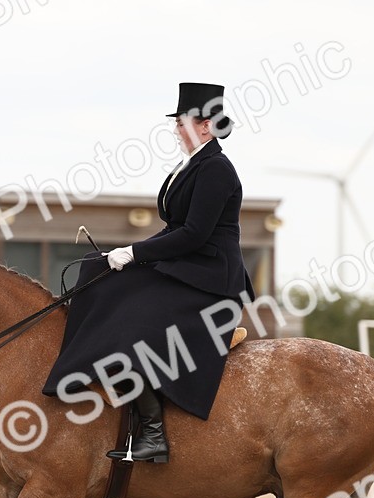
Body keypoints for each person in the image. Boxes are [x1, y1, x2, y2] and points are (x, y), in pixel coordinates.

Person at [42, 82, 255, 463]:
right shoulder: (192, 164)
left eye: (181, 122)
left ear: (205, 125)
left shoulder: (216, 169)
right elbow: (175, 228)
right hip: (189, 267)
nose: (176, 130)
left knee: (131, 322)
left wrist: (137, 252)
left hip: (211, 281)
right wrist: (123, 254)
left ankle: (153, 433)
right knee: (98, 274)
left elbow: (194, 234)